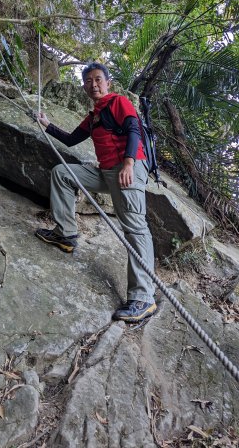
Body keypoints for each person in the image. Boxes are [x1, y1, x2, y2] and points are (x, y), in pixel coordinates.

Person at [36, 63, 156, 323]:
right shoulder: (94, 116)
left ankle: (144, 297)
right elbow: (70, 139)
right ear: (84, 87)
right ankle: (66, 234)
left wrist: (128, 163)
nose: (94, 84)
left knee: (135, 228)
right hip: (106, 172)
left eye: (98, 79)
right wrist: (46, 125)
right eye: (88, 81)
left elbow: (134, 129)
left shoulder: (118, 102)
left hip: (128, 169)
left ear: (108, 82)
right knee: (62, 172)